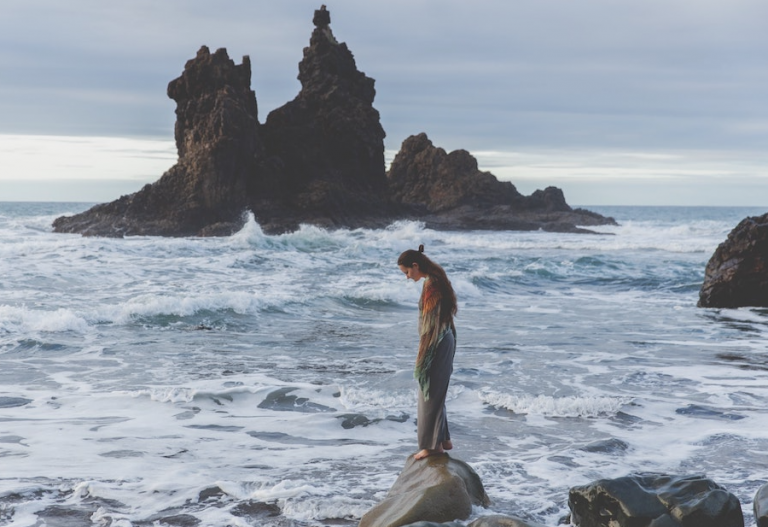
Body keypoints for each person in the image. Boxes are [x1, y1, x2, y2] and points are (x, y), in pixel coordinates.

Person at [397, 244, 458, 460]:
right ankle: (443, 439)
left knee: (428, 392)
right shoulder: (436, 278)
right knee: (435, 391)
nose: (407, 277)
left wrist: (423, 355)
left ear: (416, 266)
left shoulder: (431, 284)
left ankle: (432, 447)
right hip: (444, 339)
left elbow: (431, 324)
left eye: (407, 272)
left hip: (438, 342)